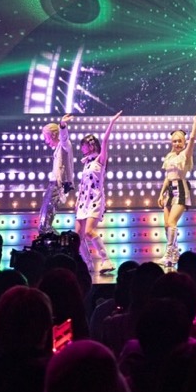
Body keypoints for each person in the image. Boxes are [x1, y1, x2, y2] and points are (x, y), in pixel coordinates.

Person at [159, 107, 196, 268]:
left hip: (180, 190)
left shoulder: (185, 155)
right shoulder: (169, 156)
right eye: (174, 141)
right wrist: (161, 194)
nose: (177, 144)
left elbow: (193, 138)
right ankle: (174, 253)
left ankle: (168, 253)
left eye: (179, 141)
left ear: (184, 142)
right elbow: (167, 177)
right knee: (167, 225)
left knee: (172, 222)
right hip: (169, 192)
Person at [76, 111, 123, 275]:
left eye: (84, 144)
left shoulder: (100, 160)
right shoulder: (86, 163)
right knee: (77, 236)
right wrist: (77, 201)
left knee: (89, 231)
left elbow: (105, 141)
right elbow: (83, 184)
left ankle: (106, 260)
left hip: (95, 199)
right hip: (83, 201)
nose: (82, 148)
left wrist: (111, 122)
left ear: (91, 145)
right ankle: (87, 264)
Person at [36, 113, 77, 236]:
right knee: (43, 219)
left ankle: (56, 240)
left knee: (45, 223)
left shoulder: (65, 145)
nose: (46, 141)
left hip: (57, 185)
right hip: (53, 183)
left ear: (53, 135)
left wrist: (62, 125)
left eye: (46, 137)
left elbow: (64, 138)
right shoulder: (58, 148)